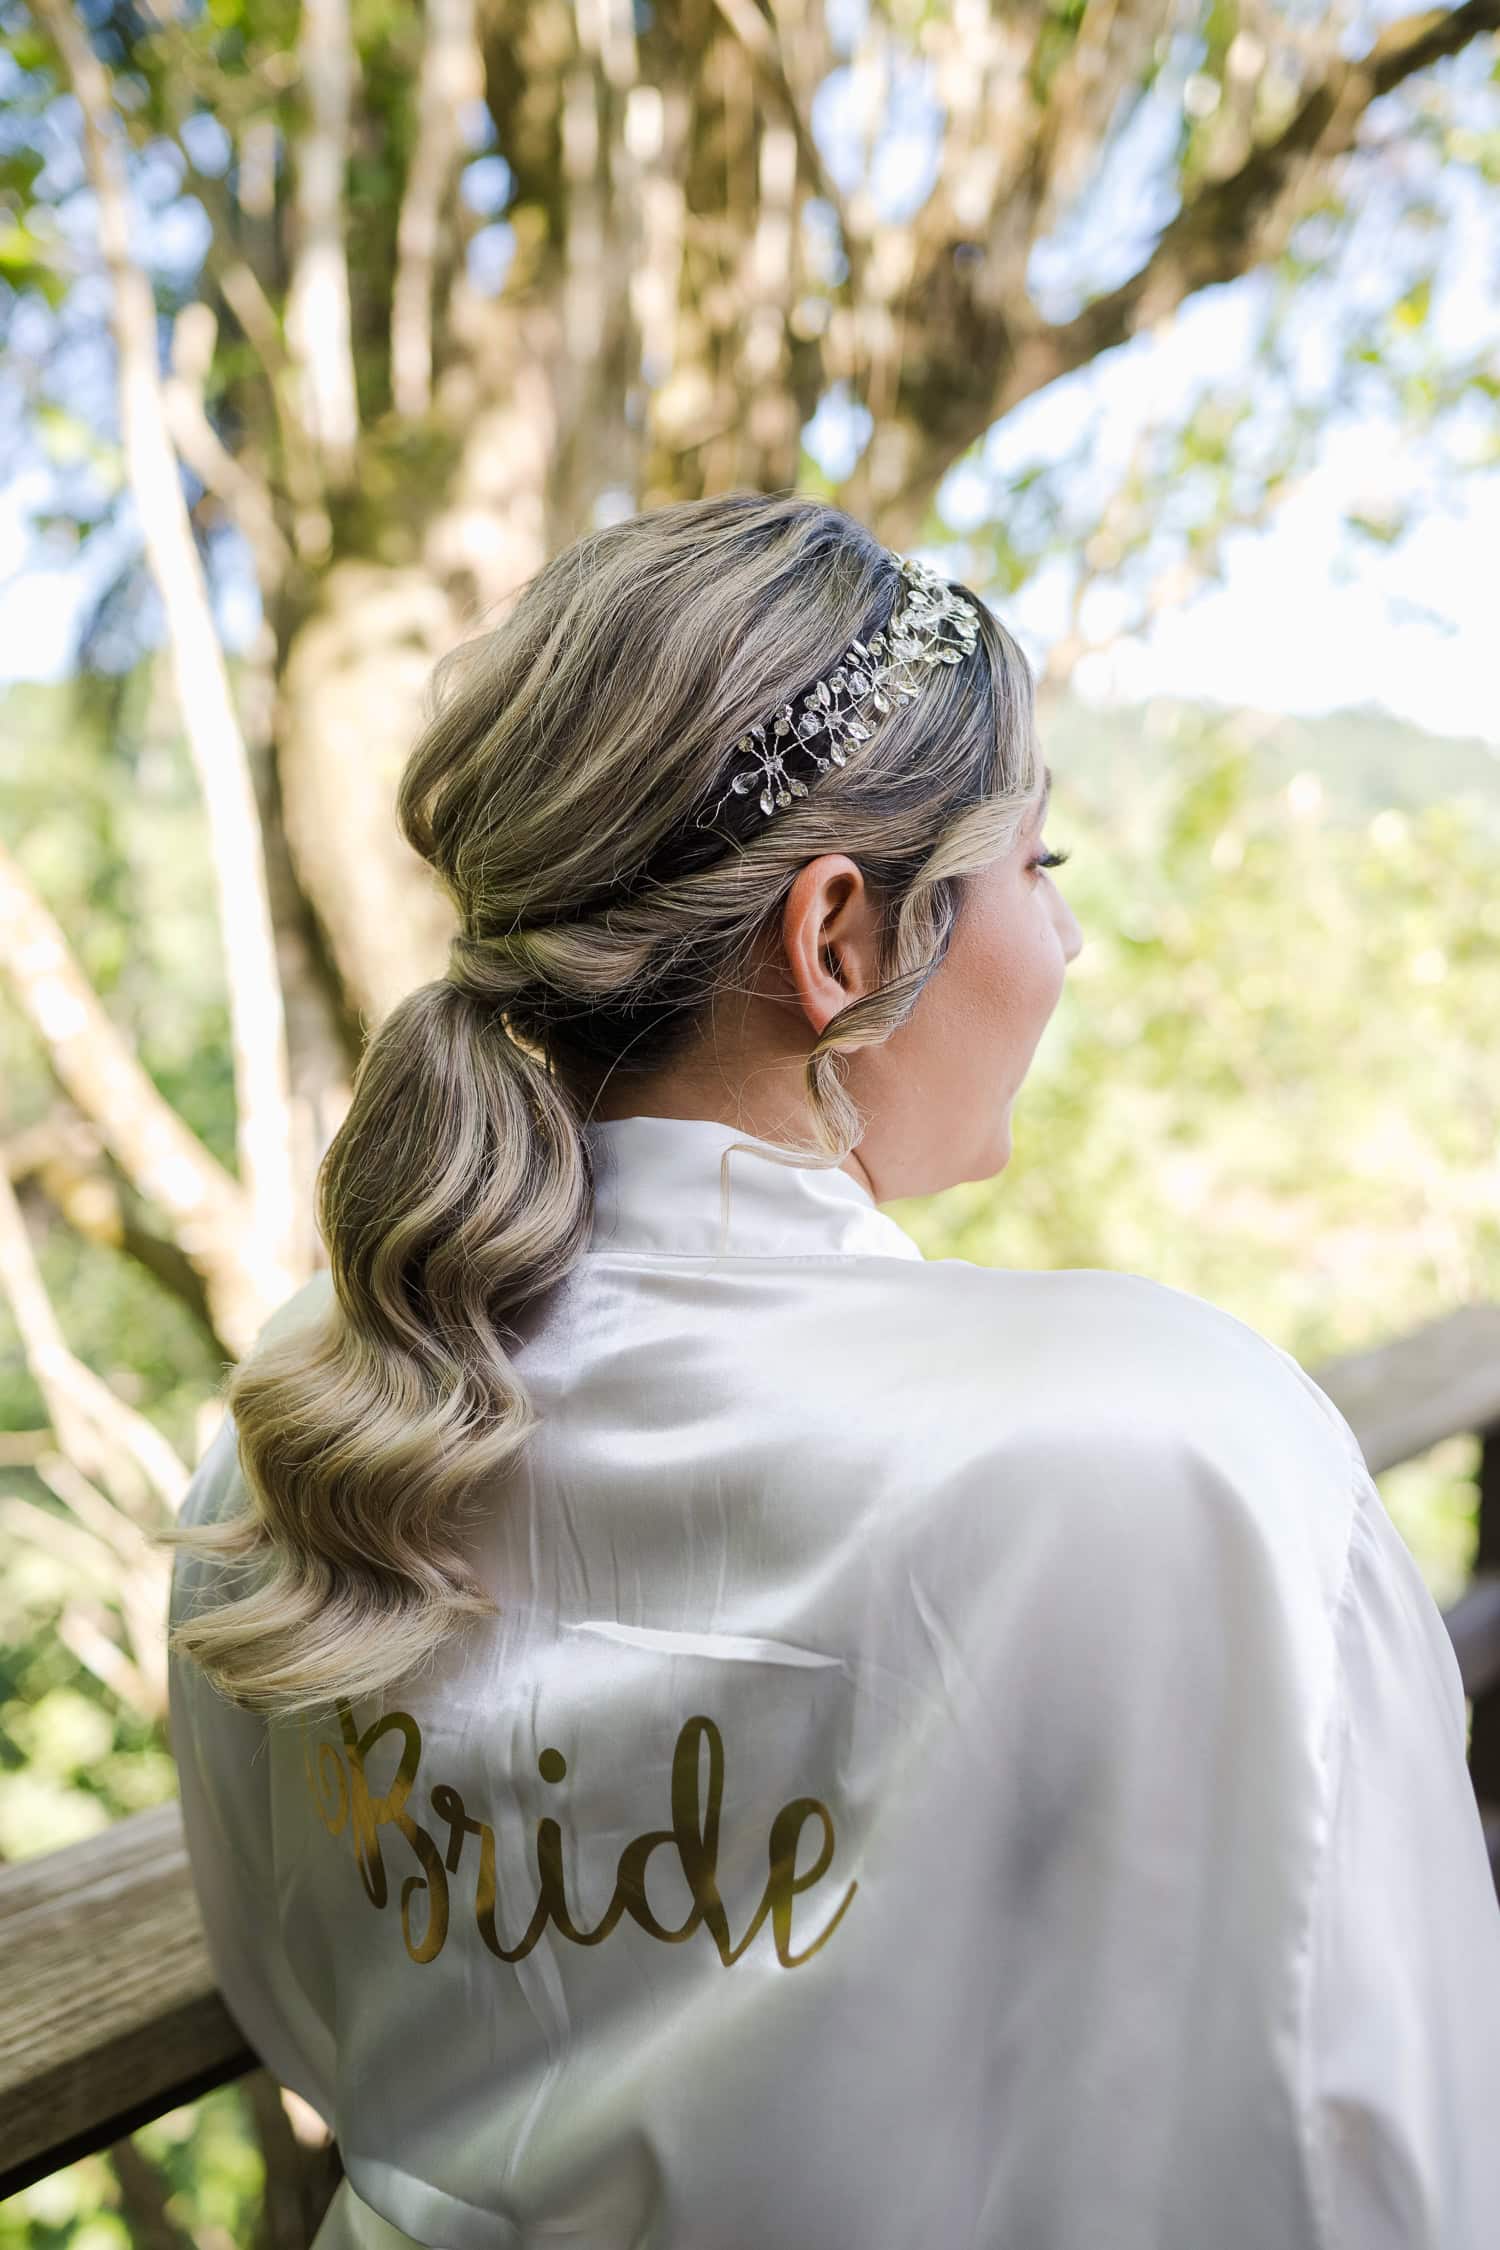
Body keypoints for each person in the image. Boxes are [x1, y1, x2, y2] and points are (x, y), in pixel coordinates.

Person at [163, 493, 1500, 2250]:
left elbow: (306, 2009)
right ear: (841, 940)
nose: (1067, 946)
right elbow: (1377, 2173)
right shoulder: (1187, 1453)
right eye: (1039, 870)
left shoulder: (302, 1426)